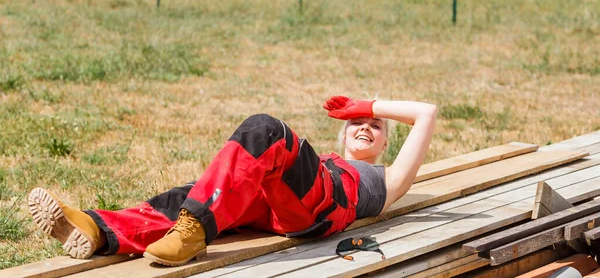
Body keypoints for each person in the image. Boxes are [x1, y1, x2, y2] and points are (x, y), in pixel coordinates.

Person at [28, 96, 436, 266]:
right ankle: (98, 230)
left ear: (385, 143)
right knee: (192, 193)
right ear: (341, 136)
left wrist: (365, 103)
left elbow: (426, 113)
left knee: (267, 128)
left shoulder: (385, 179)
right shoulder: (321, 159)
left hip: (323, 206)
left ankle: (192, 231)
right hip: (275, 207)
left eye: (376, 127)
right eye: (357, 124)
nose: (365, 128)